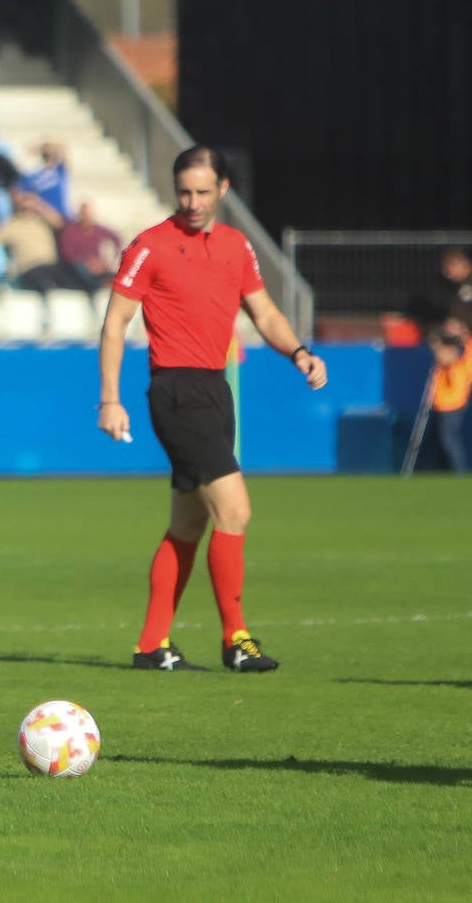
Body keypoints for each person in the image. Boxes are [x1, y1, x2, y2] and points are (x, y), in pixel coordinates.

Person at [97, 145, 328, 673]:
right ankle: (236, 640)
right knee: (235, 510)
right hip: (176, 393)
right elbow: (115, 325)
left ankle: (152, 645)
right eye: (184, 191)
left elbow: (264, 311)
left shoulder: (235, 245)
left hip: (215, 392)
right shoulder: (150, 246)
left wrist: (299, 353)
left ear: (223, 189)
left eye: (203, 192)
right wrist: (110, 399)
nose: (192, 201)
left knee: (188, 525)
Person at [427, 326, 472, 473]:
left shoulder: (459, 358)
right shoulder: (444, 365)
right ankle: (451, 471)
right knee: (445, 442)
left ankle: (461, 472)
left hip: (454, 405)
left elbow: (450, 357)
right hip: (444, 405)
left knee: (450, 441)